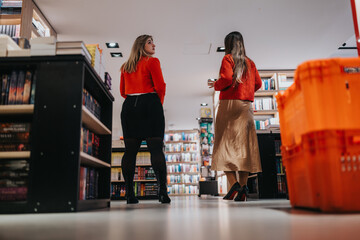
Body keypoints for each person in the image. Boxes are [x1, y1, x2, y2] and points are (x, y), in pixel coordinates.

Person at [208, 31, 262, 201]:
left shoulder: (228, 59)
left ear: (228, 44)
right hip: (246, 106)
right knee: (245, 147)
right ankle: (244, 187)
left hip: (229, 105)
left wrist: (215, 84)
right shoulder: (250, 63)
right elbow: (258, 83)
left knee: (223, 145)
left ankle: (233, 184)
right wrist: (245, 90)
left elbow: (225, 78)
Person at [120, 35, 170, 204]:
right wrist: (157, 104)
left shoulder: (125, 67)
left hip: (129, 106)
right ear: (141, 45)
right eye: (150, 42)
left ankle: (129, 194)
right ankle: (162, 192)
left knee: (130, 151)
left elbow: (123, 91)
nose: (154, 44)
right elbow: (161, 86)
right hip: (150, 104)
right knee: (156, 149)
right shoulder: (152, 62)